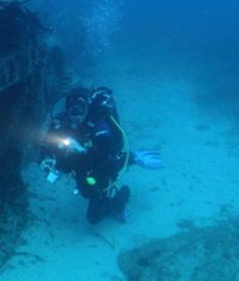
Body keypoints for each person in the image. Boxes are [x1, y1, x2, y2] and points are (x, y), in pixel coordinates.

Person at [40, 87, 163, 224]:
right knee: (86, 191)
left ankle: (132, 159)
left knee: (94, 215)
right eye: (71, 109)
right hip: (81, 163)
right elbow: (46, 144)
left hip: (103, 161)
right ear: (66, 108)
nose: (75, 115)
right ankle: (102, 193)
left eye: (80, 109)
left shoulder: (98, 123)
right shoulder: (60, 122)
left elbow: (104, 155)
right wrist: (46, 159)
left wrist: (80, 150)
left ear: (87, 108)